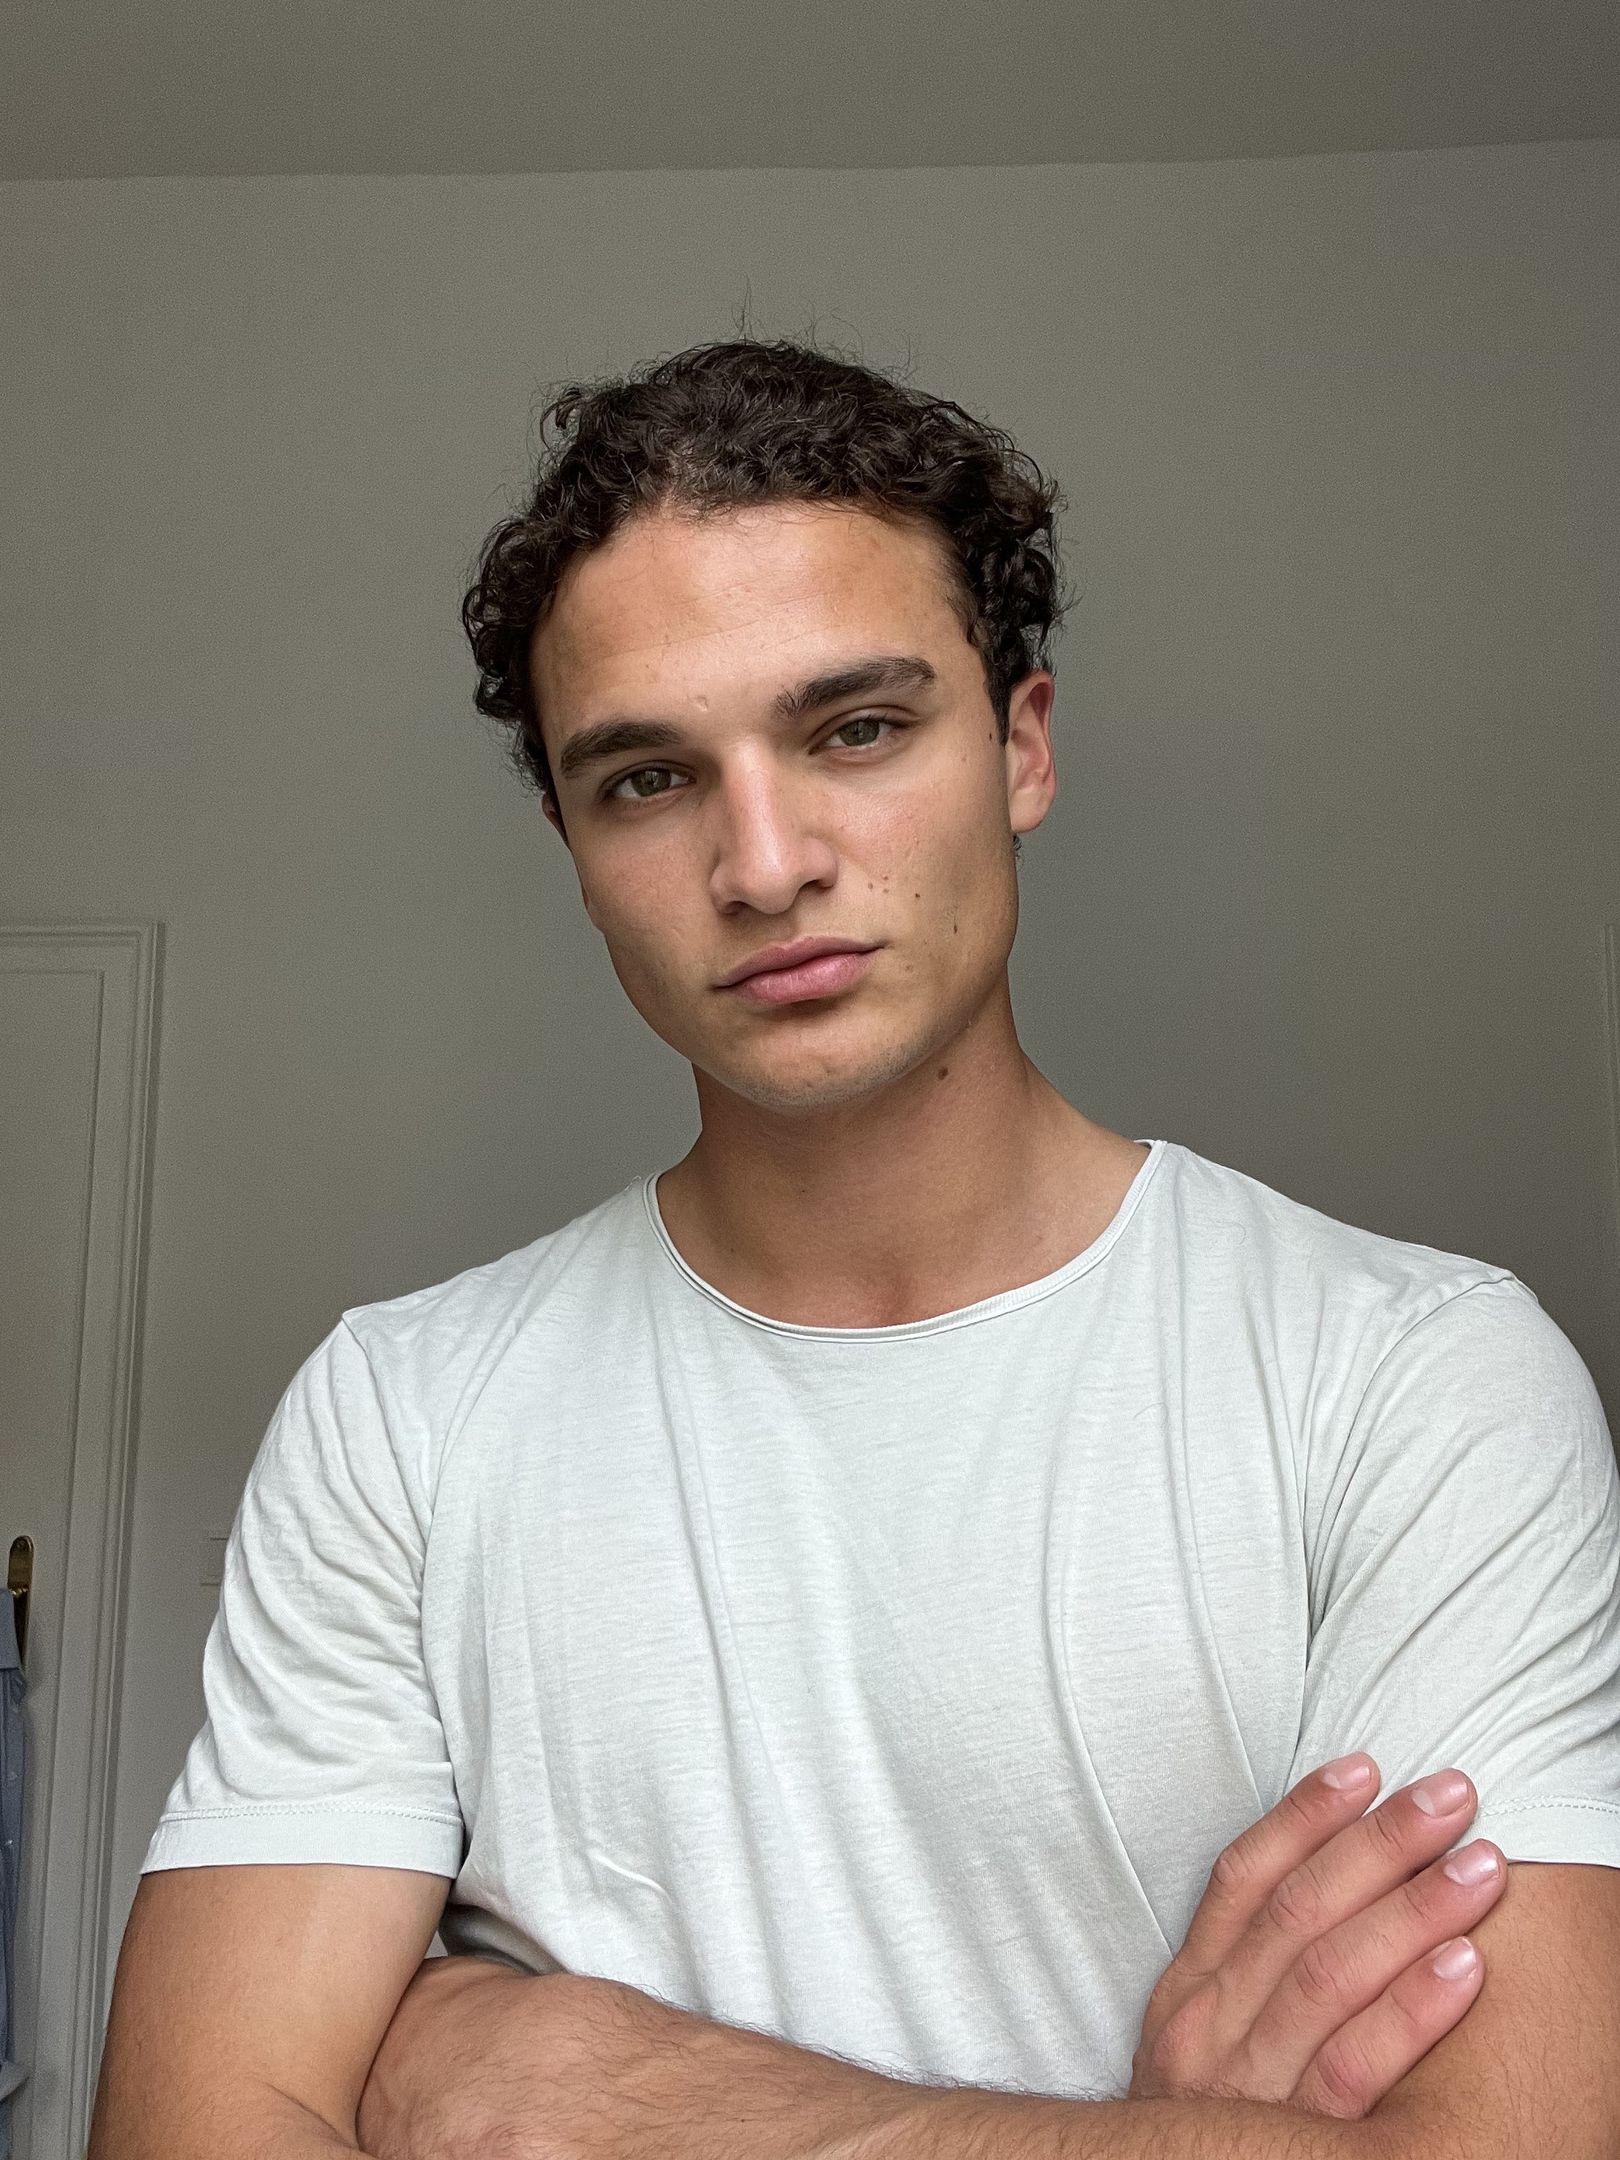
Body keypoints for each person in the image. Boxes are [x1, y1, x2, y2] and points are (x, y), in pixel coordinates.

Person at [92, 339, 1620, 2159]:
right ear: (572, 841)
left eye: (857, 730)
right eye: (647, 779)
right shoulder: (399, 1416)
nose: (764, 864)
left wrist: (605, 2089)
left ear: (1022, 747)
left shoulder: (1416, 1377)